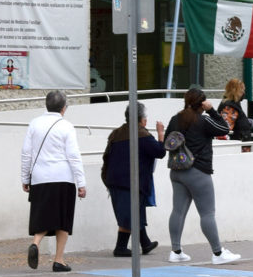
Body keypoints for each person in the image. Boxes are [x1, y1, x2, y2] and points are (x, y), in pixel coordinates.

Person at [165, 87, 240, 265]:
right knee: (207, 213)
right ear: (202, 103)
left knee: (178, 211)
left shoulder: (175, 119)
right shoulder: (203, 120)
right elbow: (225, 128)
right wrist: (212, 110)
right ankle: (218, 253)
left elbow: (167, 141)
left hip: (177, 171)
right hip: (198, 171)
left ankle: (176, 251)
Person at [21, 91, 86, 272]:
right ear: (64, 108)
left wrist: (25, 178)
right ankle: (58, 260)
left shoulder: (34, 124)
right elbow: (73, 156)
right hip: (62, 177)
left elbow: (26, 153)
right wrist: (81, 183)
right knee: (62, 219)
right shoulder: (66, 126)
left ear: (46, 105)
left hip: (40, 177)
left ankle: (36, 242)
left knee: (43, 215)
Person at [102, 102, 166, 257]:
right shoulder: (141, 135)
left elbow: (107, 157)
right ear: (141, 119)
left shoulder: (116, 134)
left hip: (115, 180)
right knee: (129, 214)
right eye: (145, 117)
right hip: (130, 182)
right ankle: (120, 248)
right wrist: (161, 134)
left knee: (134, 211)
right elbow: (160, 152)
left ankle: (145, 243)